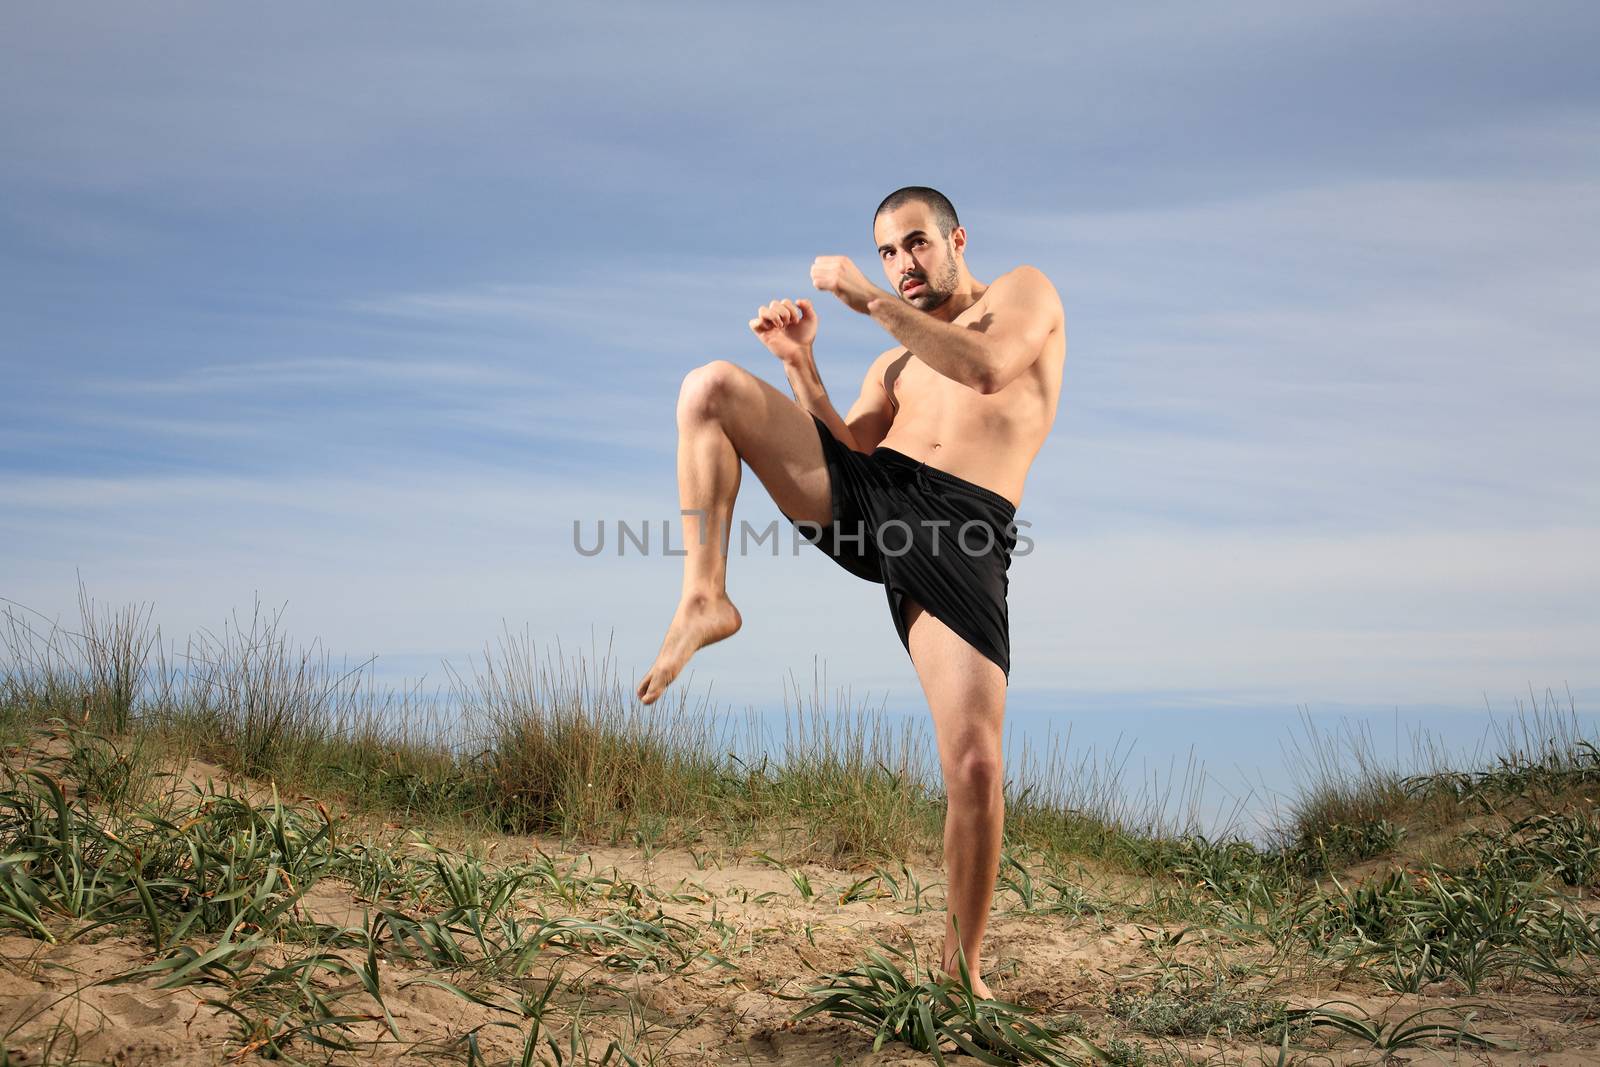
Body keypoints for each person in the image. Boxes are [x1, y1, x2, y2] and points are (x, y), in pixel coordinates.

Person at [635, 186, 1066, 997]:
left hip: (961, 532)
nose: (901, 265)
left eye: (914, 245)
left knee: (974, 765)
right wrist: (800, 364)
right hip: (878, 501)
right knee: (708, 388)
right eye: (886, 255)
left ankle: (960, 971)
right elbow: (849, 449)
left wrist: (868, 301)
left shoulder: (1024, 292)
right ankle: (706, 595)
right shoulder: (891, 362)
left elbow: (985, 369)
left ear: (956, 238)